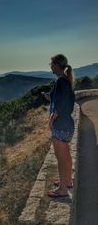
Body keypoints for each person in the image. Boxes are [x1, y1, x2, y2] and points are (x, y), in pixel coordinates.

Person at [42, 54, 75, 197]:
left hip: (60, 124)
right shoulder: (66, 81)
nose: (50, 66)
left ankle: (62, 189)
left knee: (61, 158)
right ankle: (67, 181)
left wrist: (51, 120)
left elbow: (59, 106)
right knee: (66, 154)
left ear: (56, 65)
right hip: (67, 124)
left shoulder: (61, 82)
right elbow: (62, 100)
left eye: (51, 64)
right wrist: (48, 95)